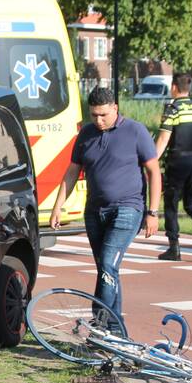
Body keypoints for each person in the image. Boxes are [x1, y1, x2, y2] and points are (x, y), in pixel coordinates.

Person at [50, 86, 162, 332]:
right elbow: (71, 172)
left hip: (127, 208)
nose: (98, 121)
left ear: (115, 108)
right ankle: (116, 333)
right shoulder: (86, 134)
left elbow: (154, 171)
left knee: (109, 266)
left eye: (103, 115)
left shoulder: (135, 131)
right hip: (95, 212)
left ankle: (100, 323)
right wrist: (58, 206)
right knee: (106, 270)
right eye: (94, 115)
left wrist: (153, 212)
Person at [153, 73, 192, 260]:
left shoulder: (173, 109)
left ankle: (174, 248)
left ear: (174, 87)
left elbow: (164, 138)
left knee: (171, 204)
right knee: (191, 203)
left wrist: (152, 160)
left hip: (178, 161)